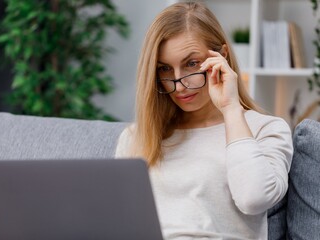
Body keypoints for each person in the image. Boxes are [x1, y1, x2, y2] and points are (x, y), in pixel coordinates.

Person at [115, 2, 293, 239]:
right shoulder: (136, 137)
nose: (179, 83)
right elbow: (120, 220)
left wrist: (230, 108)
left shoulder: (266, 128)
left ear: (222, 56)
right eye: (165, 69)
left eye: (191, 64)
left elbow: (254, 198)